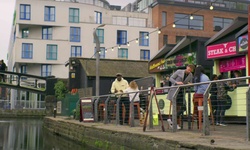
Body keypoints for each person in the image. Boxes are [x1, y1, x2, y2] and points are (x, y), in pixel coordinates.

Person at [167, 64, 195, 129]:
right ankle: (174, 123)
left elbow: (189, 83)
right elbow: (171, 78)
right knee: (176, 107)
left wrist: (189, 84)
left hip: (182, 92)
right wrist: (177, 82)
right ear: (186, 67)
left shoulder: (191, 75)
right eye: (188, 70)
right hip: (174, 90)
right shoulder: (179, 71)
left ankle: (172, 120)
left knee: (183, 107)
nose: (189, 71)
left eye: (190, 71)